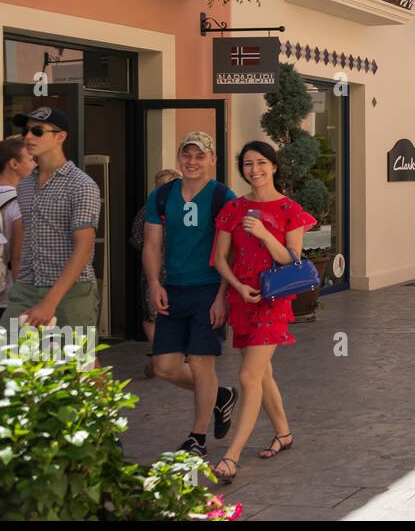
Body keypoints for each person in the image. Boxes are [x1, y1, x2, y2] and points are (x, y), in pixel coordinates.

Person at [210, 141, 315, 484]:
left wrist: (266, 235)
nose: (254, 170)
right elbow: (220, 260)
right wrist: (232, 291)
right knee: (263, 373)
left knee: (248, 376)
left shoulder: (289, 209)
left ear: (274, 166)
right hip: (243, 300)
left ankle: (232, 455)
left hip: (273, 302)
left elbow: (292, 258)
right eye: (247, 164)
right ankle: (283, 432)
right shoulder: (232, 208)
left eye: (261, 163)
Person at [146, 134, 239, 459]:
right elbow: (152, 245)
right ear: (179, 158)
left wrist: (222, 296)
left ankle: (197, 436)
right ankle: (221, 395)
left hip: (208, 289)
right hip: (173, 290)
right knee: (165, 367)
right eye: (186, 155)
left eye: (200, 156)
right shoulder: (160, 196)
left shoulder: (222, 196)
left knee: (201, 364)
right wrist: (154, 284)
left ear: (211, 159)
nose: (192, 161)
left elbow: (231, 252)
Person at [0, 107, 101, 335]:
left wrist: (49, 303)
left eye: (37, 131)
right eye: (26, 131)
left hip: (71, 291)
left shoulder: (81, 185)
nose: (28, 137)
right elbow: (25, 241)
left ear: (60, 137)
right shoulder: (24, 185)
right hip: (26, 288)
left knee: (79, 365)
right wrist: (19, 285)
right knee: (7, 358)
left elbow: (84, 248)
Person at [131, 168, 179, 373]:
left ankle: (161, 355)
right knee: (155, 312)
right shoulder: (150, 210)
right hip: (159, 269)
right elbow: (139, 240)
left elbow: (137, 239)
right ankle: (162, 355)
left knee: (153, 314)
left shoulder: (148, 210)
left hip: (167, 269)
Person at [0, 137, 33, 327]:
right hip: (5, 297)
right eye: (31, 159)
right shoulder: (19, 202)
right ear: (14, 163)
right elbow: (18, 257)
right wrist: (22, 300)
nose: (35, 164)